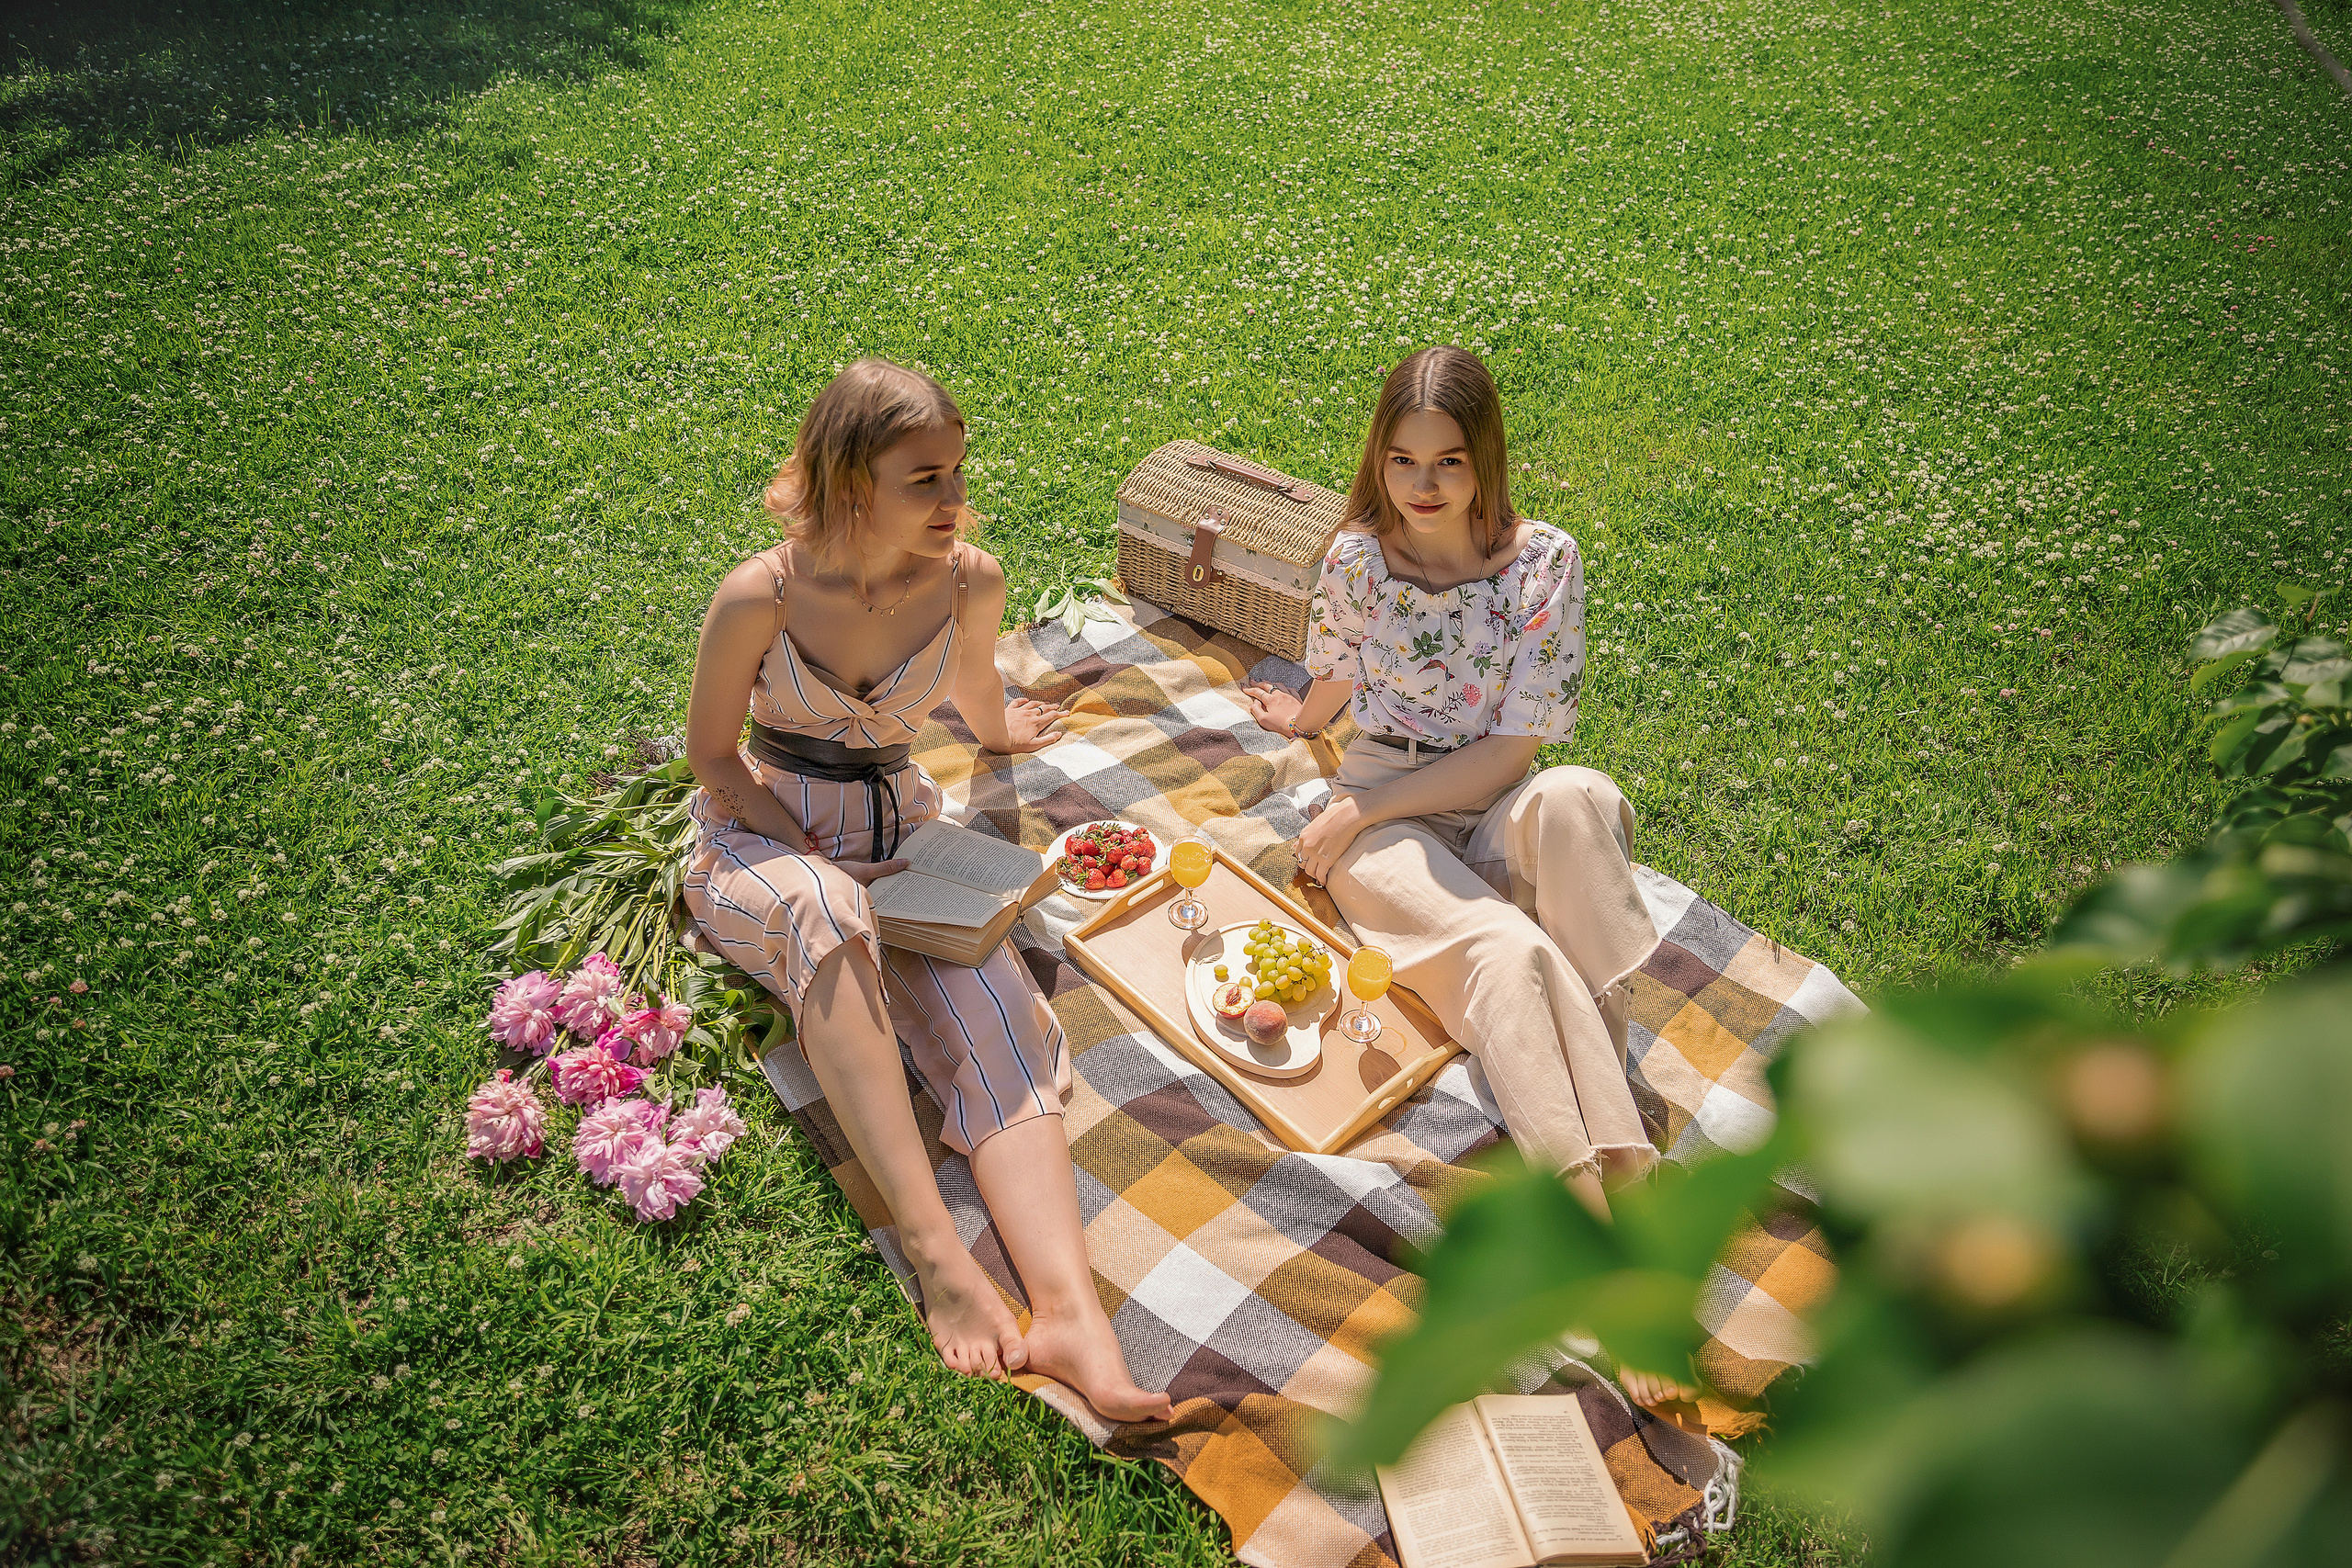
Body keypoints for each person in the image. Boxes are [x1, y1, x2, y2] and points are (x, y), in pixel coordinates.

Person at [683, 359, 1170, 1424]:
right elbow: (712, 757)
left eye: (956, 473)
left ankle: (1070, 1314)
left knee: (999, 1013)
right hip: (758, 838)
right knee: (826, 912)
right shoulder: (757, 595)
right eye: (925, 481)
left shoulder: (967, 581)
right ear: (850, 482)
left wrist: (1002, 736)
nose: (954, 501)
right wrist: (813, 855)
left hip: (905, 834)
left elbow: (977, 685)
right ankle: (936, 1250)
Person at [1239, 344, 1664, 1223]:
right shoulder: (1355, 561)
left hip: (1475, 798)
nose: (1421, 485)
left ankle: (1600, 1079)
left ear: (1485, 459)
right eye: (1402, 460)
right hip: (1389, 821)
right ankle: (1599, 1191)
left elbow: (1513, 756)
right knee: (1509, 948)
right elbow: (1335, 676)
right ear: (1378, 458)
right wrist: (1305, 722)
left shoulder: (1543, 564)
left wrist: (1358, 807)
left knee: (1578, 795)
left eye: (1447, 462)